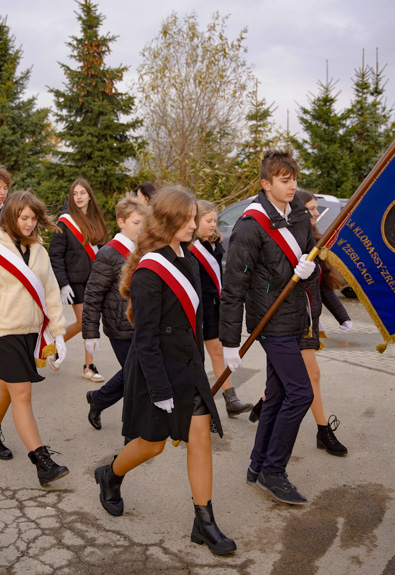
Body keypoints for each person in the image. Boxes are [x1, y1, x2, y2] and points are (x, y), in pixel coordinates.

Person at [94, 186, 236, 556]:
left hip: (188, 369)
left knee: (201, 438)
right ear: (169, 220)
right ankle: (110, 474)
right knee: (151, 445)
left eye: (194, 218)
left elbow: (197, 318)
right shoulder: (148, 273)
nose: (194, 225)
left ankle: (204, 521)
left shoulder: (188, 259)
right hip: (157, 373)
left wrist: (222, 349)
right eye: (188, 219)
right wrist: (160, 390)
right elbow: (146, 341)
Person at [219, 150, 318, 505]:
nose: (292, 186)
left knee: (277, 395)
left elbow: (311, 260)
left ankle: (258, 464)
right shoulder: (250, 224)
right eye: (284, 180)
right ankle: (274, 471)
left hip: (295, 316)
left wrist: (311, 270)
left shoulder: (301, 215)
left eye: (294, 179)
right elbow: (234, 285)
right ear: (266, 184)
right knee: (301, 393)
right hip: (270, 321)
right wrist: (230, 342)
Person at [0, 191, 69, 486]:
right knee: (22, 392)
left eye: (34, 218)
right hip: (0, 332)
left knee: (7, 387)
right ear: (10, 215)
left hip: (29, 332)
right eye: (24, 218)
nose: (29, 223)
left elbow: (50, 293)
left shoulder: (39, 250)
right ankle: (42, 460)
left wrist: (58, 334)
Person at [293, 190, 352, 456]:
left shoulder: (316, 240)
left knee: (284, 379)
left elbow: (324, 287)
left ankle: (263, 405)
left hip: (311, 320)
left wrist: (343, 316)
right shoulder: (291, 242)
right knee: (312, 375)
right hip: (296, 321)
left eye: (317, 209)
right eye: (311, 209)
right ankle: (323, 430)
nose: (317, 214)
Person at [83, 197, 147, 432]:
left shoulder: (143, 249)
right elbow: (93, 295)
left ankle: (98, 399)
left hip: (140, 324)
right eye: (136, 222)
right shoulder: (109, 254)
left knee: (137, 372)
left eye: (143, 222)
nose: (141, 227)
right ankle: (133, 424)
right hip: (119, 327)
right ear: (121, 222)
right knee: (136, 373)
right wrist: (90, 333)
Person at [191, 199, 253, 417]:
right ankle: (197, 407)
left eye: (215, 220)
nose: (212, 224)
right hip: (198, 308)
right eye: (207, 220)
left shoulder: (215, 242)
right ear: (194, 220)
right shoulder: (189, 247)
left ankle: (230, 399)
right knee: (197, 358)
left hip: (215, 305)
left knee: (217, 352)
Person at [49, 178, 108, 382]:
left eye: (83, 192)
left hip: (94, 281)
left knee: (92, 322)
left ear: (89, 195)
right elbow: (55, 255)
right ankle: (56, 345)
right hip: (74, 282)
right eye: (75, 193)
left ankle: (88, 367)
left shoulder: (96, 220)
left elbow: (103, 251)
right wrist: (63, 283)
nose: (79, 197)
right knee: (85, 322)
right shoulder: (64, 223)